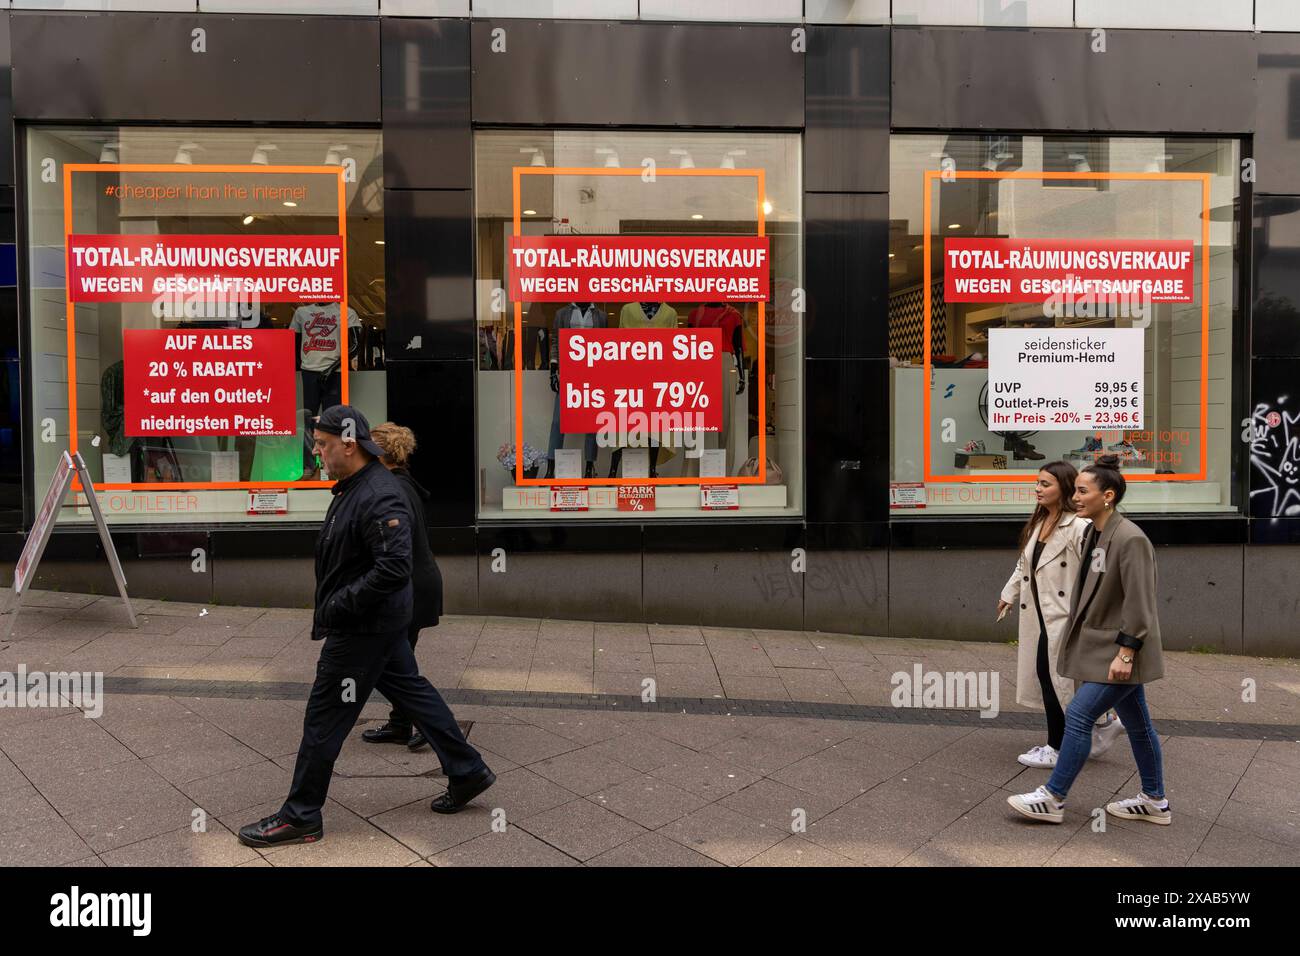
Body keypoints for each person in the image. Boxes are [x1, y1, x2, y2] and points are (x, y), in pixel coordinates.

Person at [238, 405, 494, 848]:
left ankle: (301, 815)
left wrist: (340, 604)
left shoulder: (380, 492)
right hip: (379, 624)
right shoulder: (357, 485)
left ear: (349, 443)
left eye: (322, 444)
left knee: (324, 718)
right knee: (411, 689)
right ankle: (467, 769)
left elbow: (394, 567)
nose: (317, 453)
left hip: (362, 627)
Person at [1008, 454, 1170, 826]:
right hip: (1104, 648)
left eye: (1083, 491)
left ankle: (1053, 797)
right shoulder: (1098, 533)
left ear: (1108, 496)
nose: (1075, 497)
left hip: (1118, 652)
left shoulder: (1130, 539)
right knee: (1139, 724)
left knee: (1079, 716)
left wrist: (1127, 652)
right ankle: (1155, 800)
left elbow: (1140, 602)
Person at [998, 461, 1124, 768]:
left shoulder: (1077, 526)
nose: (1038, 490)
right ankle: (1103, 723)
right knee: (1055, 678)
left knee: (1054, 678)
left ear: (1064, 488)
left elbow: (1097, 572)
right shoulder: (1042, 521)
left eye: (1046, 484)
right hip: (1041, 615)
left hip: (1064, 618)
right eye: (1038, 483)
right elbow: (1025, 564)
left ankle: (1058, 746)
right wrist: (1009, 593)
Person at [358, 422, 447, 754]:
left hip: (409, 586)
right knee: (397, 659)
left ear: (380, 453)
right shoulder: (402, 484)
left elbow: (394, 544)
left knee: (389, 662)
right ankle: (400, 724)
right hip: (415, 582)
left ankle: (429, 722)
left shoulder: (394, 489)